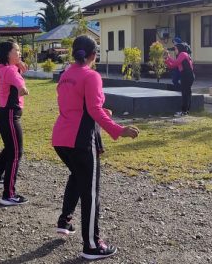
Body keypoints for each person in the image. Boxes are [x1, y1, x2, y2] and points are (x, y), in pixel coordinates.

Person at [52, 35, 140, 260]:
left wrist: (100, 110)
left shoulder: (65, 75)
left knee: (77, 177)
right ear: (93, 55)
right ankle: (91, 245)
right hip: (81, 140)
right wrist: (119, 130)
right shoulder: (91, 76)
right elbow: (93, 110)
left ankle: (65, 221)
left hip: (61, 138)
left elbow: (77, 105)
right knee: (90, 192)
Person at [0, 41, 28, 206]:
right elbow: (21, 86)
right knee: (16, 152)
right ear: (7, 54)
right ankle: (9, 194)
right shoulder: (11, 71)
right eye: (16, 51)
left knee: (9, 148)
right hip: (11, 115)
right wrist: (24, 89)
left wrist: (17, 63)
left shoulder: (2, 67)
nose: (19, 53)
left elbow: (20, 71)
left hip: (3, 113)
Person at [166, 43, 195, 116]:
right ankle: (186, 111)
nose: (175, 51)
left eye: (175, 49)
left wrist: (168, 57)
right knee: (187, 93)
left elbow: (175, 62)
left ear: (179, 48)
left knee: (185, 93)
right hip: (185, 75)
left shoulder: (183, 54)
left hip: (187, 75)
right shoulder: (181, 55)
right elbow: (172, 66)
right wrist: (166, 60)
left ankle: (184, 111)